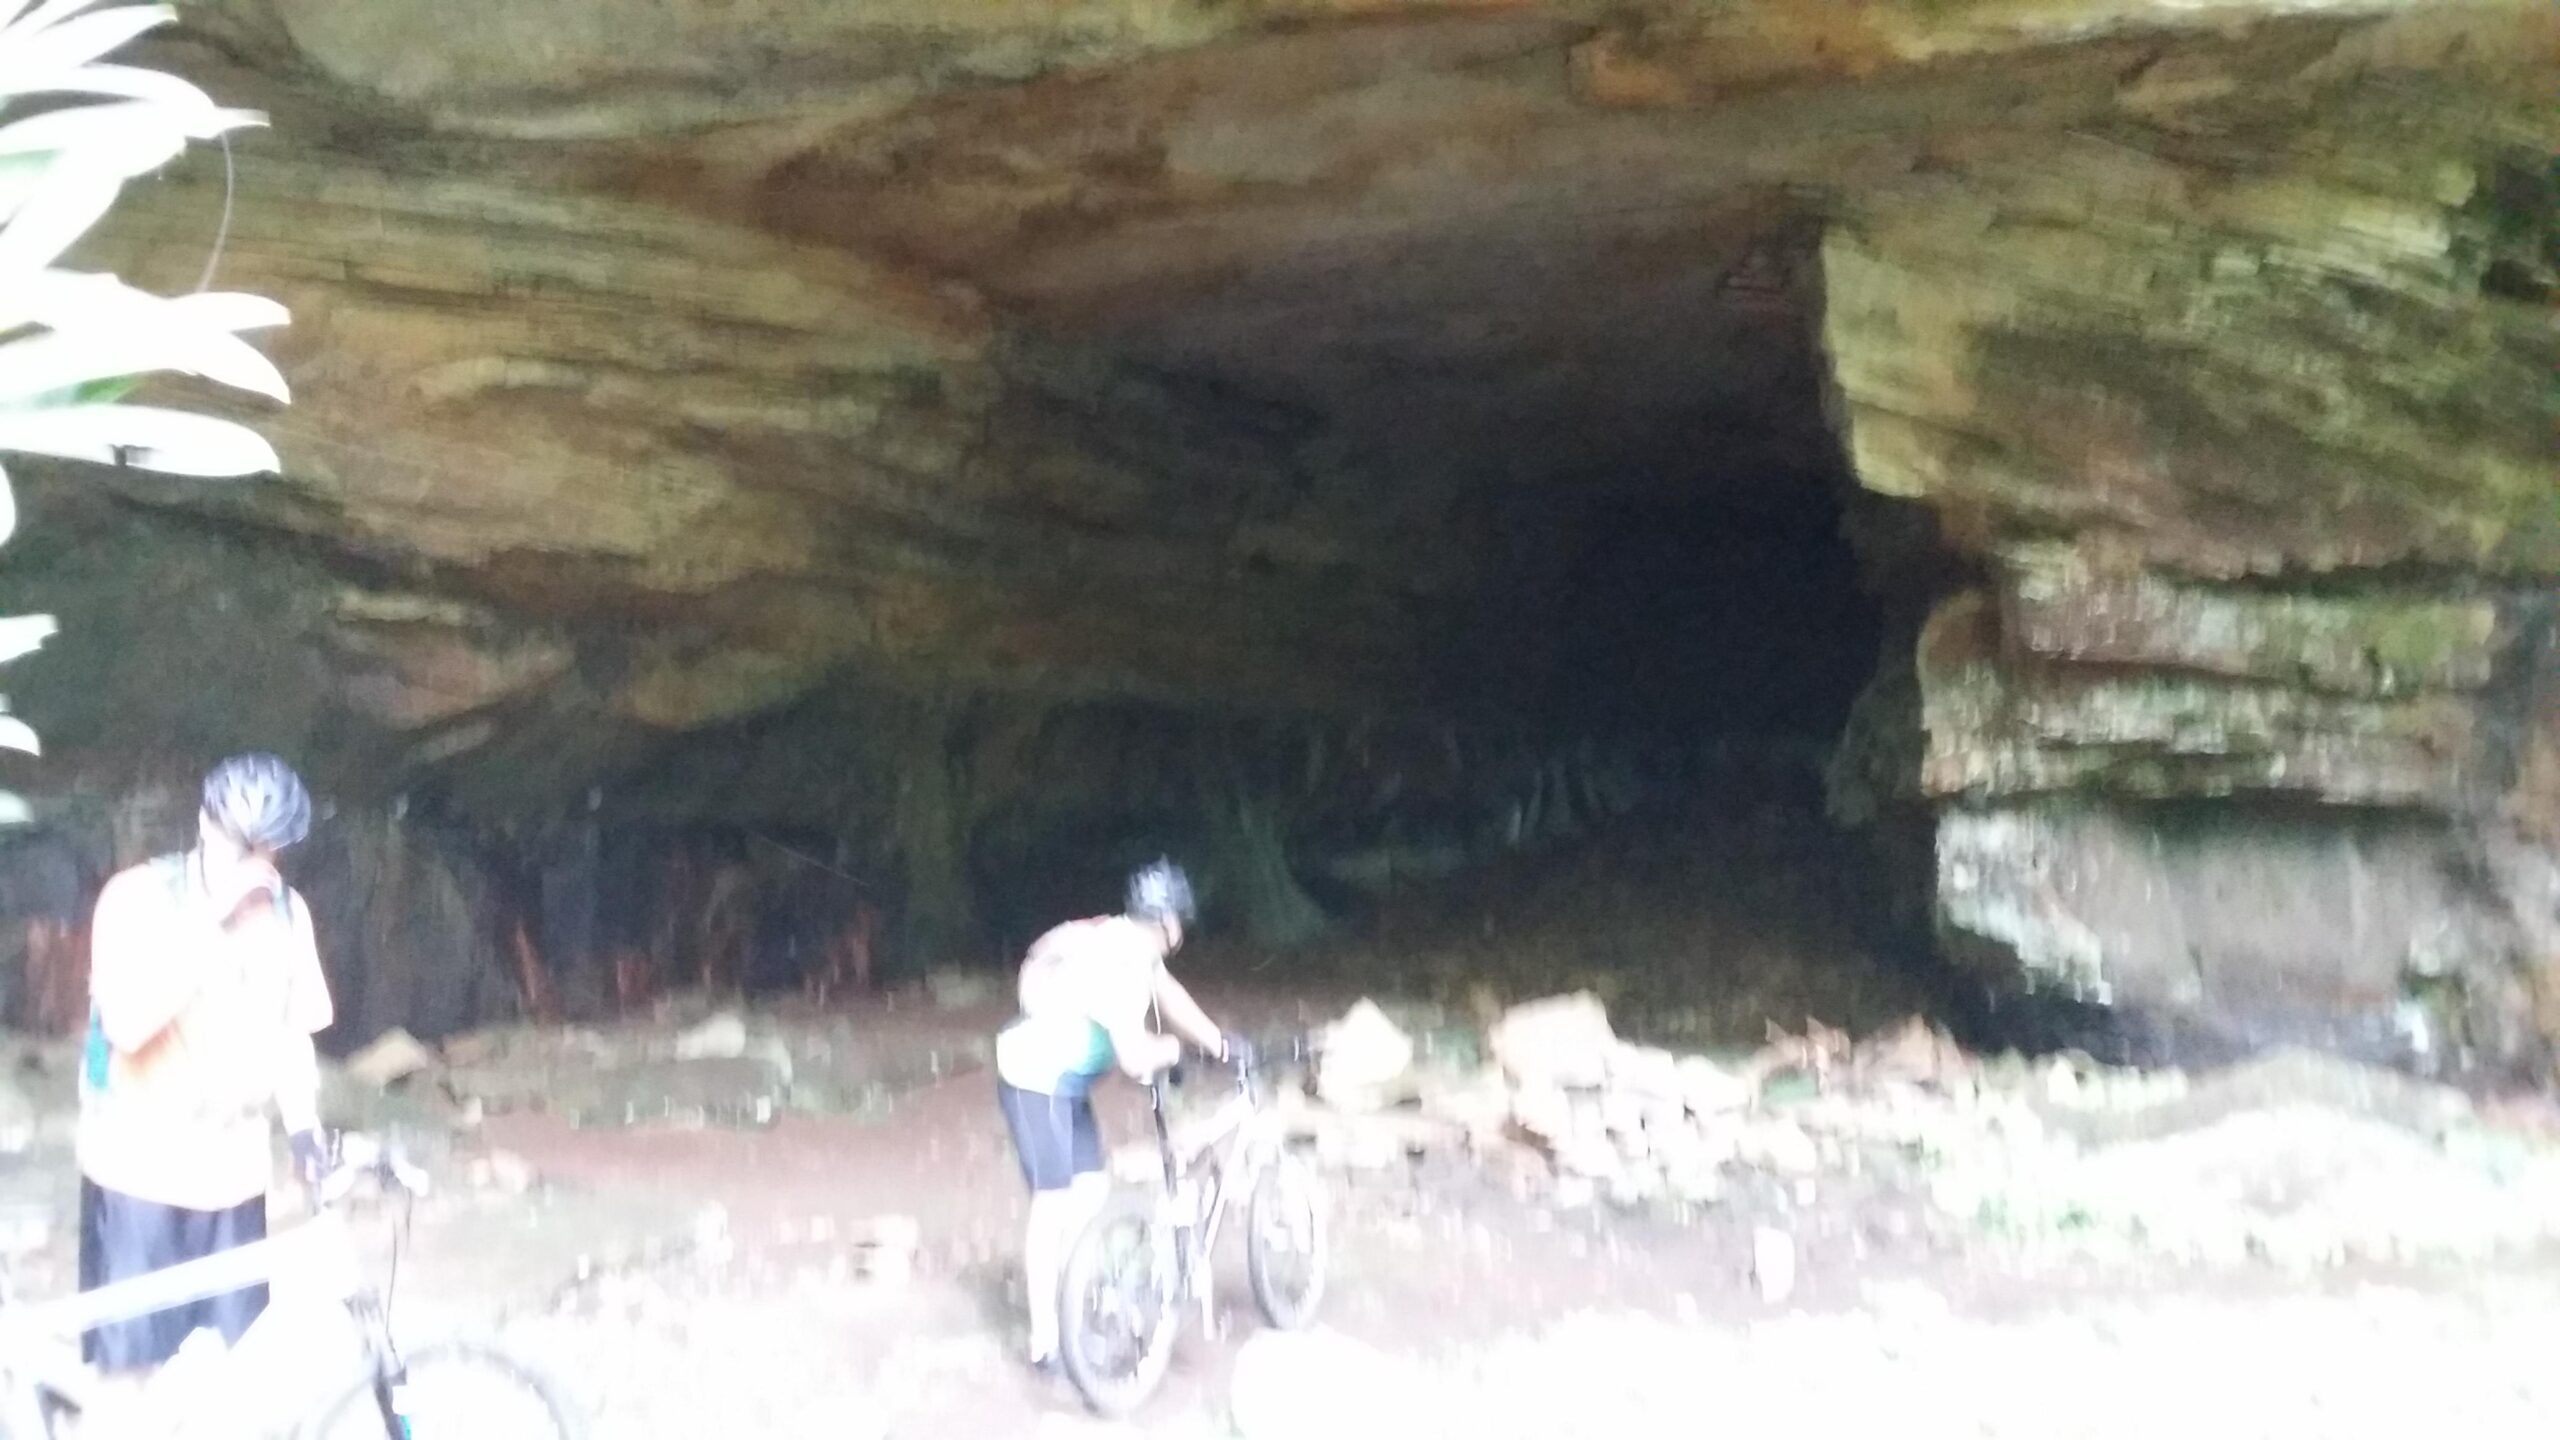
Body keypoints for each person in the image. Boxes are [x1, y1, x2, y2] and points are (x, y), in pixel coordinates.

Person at [76, 753, 334, 1374]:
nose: (251, 866)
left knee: (234, 1377)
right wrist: (214, 923)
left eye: (264, 852)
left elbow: (291, 1034)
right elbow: (128, 1026)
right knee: (128, 1383)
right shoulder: (135, 897)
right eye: (236, 847)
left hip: (234, 1181)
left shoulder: (287, 913)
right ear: (203, 825)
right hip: (136, 1180)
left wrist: (304, 1130)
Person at [994, 858, 1239, 1378]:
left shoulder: (1133, 945)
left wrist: (1217, 1042)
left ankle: (1076, 1305)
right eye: (1181, 921)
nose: (1181, 931)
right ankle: (1045, 1345)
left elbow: (1169, 994)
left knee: (1090, 1193)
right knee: (1053, 1202)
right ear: (1169, 922)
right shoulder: (1122, 962)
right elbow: (1133, 1057)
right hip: (1035, 1080)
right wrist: (1173, 1051)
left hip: (1066, 1083)